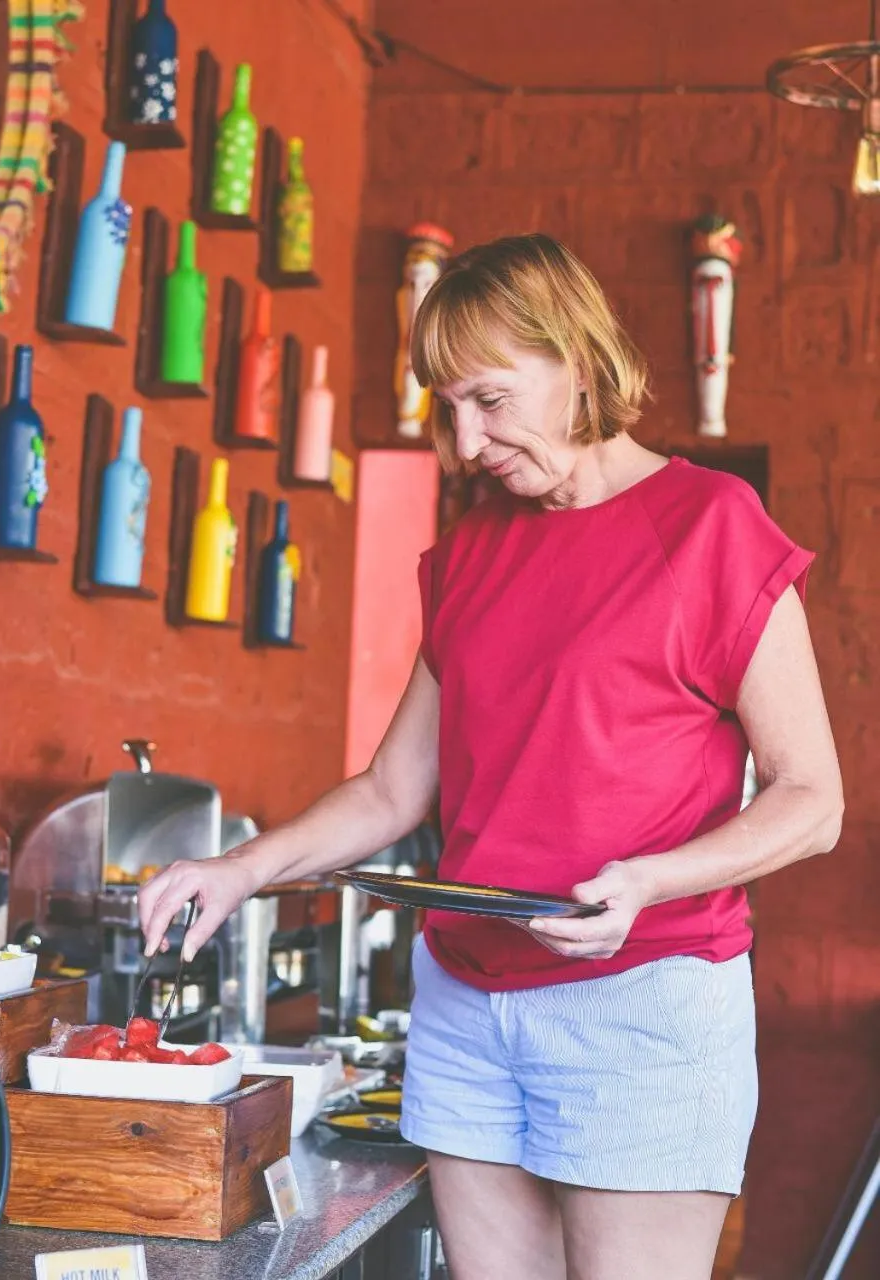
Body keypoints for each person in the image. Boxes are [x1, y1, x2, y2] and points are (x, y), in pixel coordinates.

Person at [139, 234, 843, 1280]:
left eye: (489, 398)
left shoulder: (708, 527)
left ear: (577, 360)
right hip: (466, 1001)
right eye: (446, 405)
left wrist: (649, 880)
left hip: (642, 997)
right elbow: (390, 787)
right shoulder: (471, 548)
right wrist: (239, 868)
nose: (466, 441)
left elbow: (812, 798)